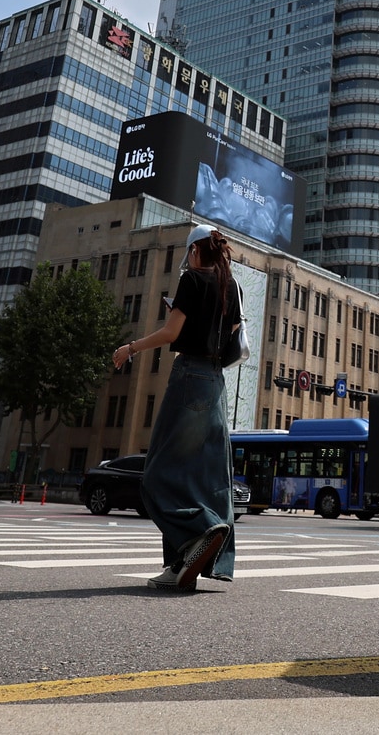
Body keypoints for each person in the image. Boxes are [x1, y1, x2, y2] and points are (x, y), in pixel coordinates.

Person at [112, 224, 240, 592]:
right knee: (207, 475)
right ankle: (180, 565)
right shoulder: (232, 286)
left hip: (189, 376)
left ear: (195, 251)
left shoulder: (192, 280)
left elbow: (171, 333)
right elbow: (232, 334)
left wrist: (131, 347)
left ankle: (201, 528)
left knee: (159, 475)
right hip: (217, 381)